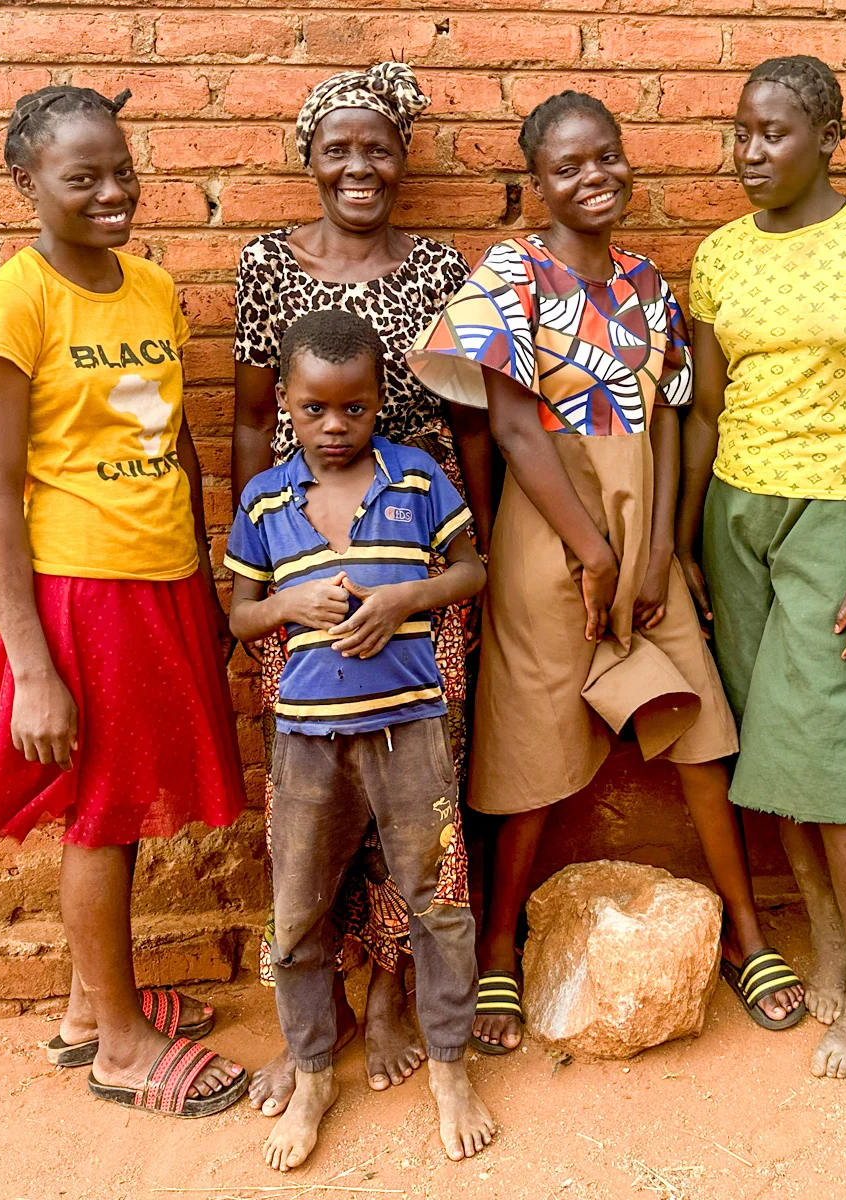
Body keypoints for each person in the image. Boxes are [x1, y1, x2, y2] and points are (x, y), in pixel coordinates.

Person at [409, 90, 806, 1055]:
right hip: (553, 532)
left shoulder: (646, 282)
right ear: (535, 184)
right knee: (533, 744)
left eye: (606, 158)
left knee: (703, 730)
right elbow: (508, 425)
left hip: (643, 540)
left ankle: (743, 935)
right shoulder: (511, 275)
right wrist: (592, 549)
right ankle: (500, 946)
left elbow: (669, 415)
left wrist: (659, 546)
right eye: (567, 168)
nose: (593, 178)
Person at [0, 86, 248, 1115]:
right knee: (105, 815)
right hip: (82, 591)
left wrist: (204, 584)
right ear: (26, 184)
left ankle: (88, 1006)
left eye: (123, 170)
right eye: (85, 179)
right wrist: (32, 667)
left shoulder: (154, 288)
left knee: (123, 802)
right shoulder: (13, 303)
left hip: (158, 576)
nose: (115, 192)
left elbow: (179, 444)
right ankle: (118, 1046)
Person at [676, 56, 846, 1079]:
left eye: (774, 132)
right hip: (737, 514)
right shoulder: (718, 256)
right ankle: (826, 929)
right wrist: (681, 539)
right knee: (766, 741)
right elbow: (703, 410)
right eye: (741, 131)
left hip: (838, 512)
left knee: (837, 741)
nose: (751, 151)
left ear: (829, 139)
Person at [232, 63, 481, 1108]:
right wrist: (257, 575)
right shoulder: (265, 265)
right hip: (300, 567)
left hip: (418, 555)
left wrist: (468, 574)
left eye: (377, 144)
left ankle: (392, 995)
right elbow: (249, 420)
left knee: (421, 806)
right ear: (309, 157)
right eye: (337, 146)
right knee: (317, 804)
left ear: (403, 155)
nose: (358, 164)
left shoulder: (437, 268)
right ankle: (316, 1018)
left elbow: (472, 419)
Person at [226, 310, 493, 1169]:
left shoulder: (415, 481)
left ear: (381, 402)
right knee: (297, 914)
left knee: (437, 900)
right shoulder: (265, 501)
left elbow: (471, 571)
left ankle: (449, 1067)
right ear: (287, 412)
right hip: (307, 743)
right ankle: (312, 1075)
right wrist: (284, 609)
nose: (334, 427)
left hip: (410, 730)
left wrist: (405, 601)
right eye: (313, 410)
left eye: (355, 409)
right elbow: (239, 615)